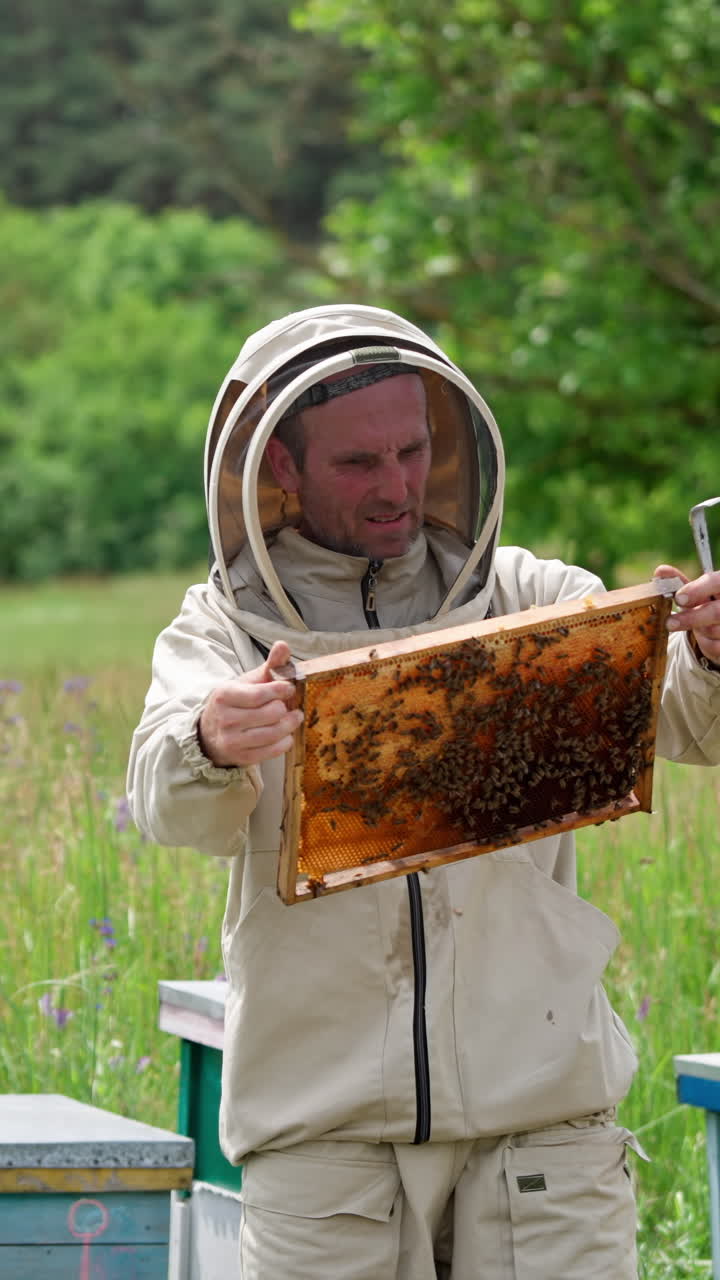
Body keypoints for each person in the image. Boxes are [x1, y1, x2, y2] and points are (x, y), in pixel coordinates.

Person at [127, 305, 720, 1279]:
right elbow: (169, 802)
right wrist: (210, 739)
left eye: (411, 449)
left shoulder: (532, 596)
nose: (397, 484)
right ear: (281, 465)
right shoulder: (217, 634)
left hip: (544, 1122)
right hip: (326, 1138)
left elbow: (694, 724)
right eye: (359, 462)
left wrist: (707, 655)